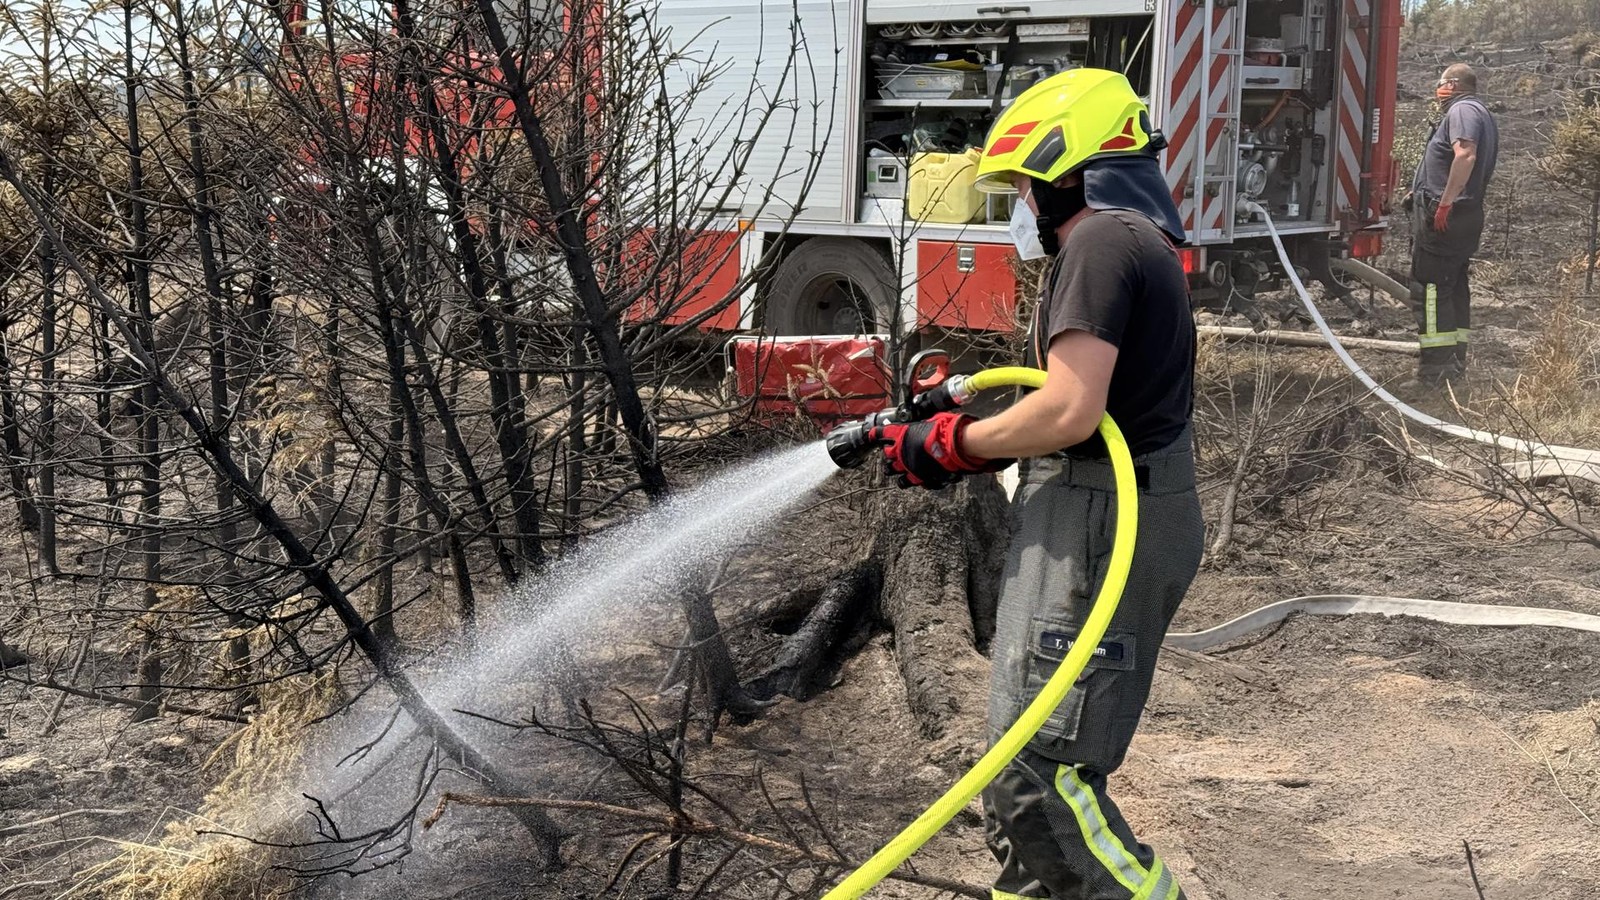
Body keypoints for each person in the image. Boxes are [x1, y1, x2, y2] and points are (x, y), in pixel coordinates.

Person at [865, 68, 1200, 900]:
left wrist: (953, 446)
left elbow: (1071, 409)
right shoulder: (1131, 240)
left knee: (1040, 777)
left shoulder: (1101, 242)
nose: (1020, 204)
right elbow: (1079, 399)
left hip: (1101, 519)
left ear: (1066, 169)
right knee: (1020, 783)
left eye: (1023, 185)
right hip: (1099, 505)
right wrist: (968, 424)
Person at [1406, 62, 1498, 385]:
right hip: (1462, 217)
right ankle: (1454, 362)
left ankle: (1435, 371)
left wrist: (1444, 203)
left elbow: (1465, 155)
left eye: (1442, 83)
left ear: (1454, 85)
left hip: (1447, 218)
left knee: (1430, 290)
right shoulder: (1478, 112)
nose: (1438, 90)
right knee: (1452, 288)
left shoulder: (1463, 110)